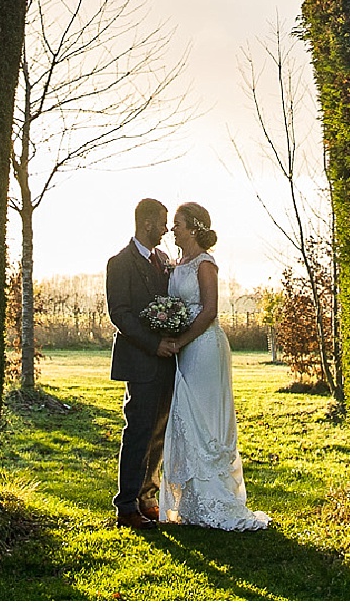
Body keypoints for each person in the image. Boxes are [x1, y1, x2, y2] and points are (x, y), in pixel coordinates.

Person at [155, 202, 271, 530]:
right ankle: (192, 504)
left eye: (177, 224)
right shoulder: (177, 264)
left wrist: (181, 340)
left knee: (204, 416)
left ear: (193, 228)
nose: (172, 229)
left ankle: (218, 501)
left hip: (204, 347)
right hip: (185, 348)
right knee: (185, 416)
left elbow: (208, 312)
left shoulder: (206, 264)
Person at [105, 198, 175, 527]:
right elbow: (120, 314)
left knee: (159, 432)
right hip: (140, 360)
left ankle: (148, 497)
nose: (166, 228)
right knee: (138, 431)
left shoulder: (163, 259)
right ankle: (126, 505)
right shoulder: (119, 263)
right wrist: (154, 344)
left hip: (166, 362)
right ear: (147, 223)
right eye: (162, 222)